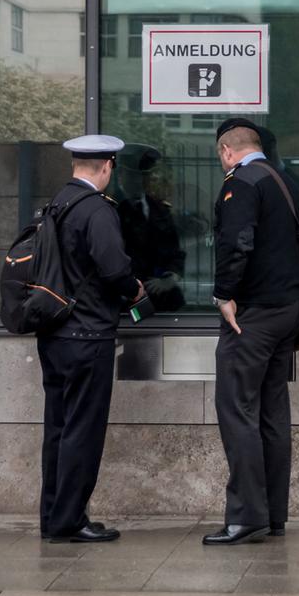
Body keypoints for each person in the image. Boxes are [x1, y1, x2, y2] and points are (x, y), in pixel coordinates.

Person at [38, 134, 144, 544]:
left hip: (55, 334)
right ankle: (70, 521)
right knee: (82, 430)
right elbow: (114, 269)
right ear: (108, 167)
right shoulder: (96, 210)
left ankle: (53, 516)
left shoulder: (57, 203)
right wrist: (135, 289)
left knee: (58, 429)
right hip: (88, 334)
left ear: (74, 165)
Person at [205, 118, 299, 546]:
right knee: (271, 413)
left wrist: (224, 294)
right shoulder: (288, 182)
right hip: (290, 309)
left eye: (220, 156)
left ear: (228, 150)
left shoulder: (242, 183)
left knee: (237, 411)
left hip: (254, 316)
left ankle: (247, 517)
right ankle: (273, 515)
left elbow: (237, 242)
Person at [116, 144, 185, 311]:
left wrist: (170, 278)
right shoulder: (112, 209)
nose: (139, 182)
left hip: (159, 298)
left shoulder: (159, 209)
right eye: (133, 176)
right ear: (121, 175)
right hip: (124, 300)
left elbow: (175, 253)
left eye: (144, 176)